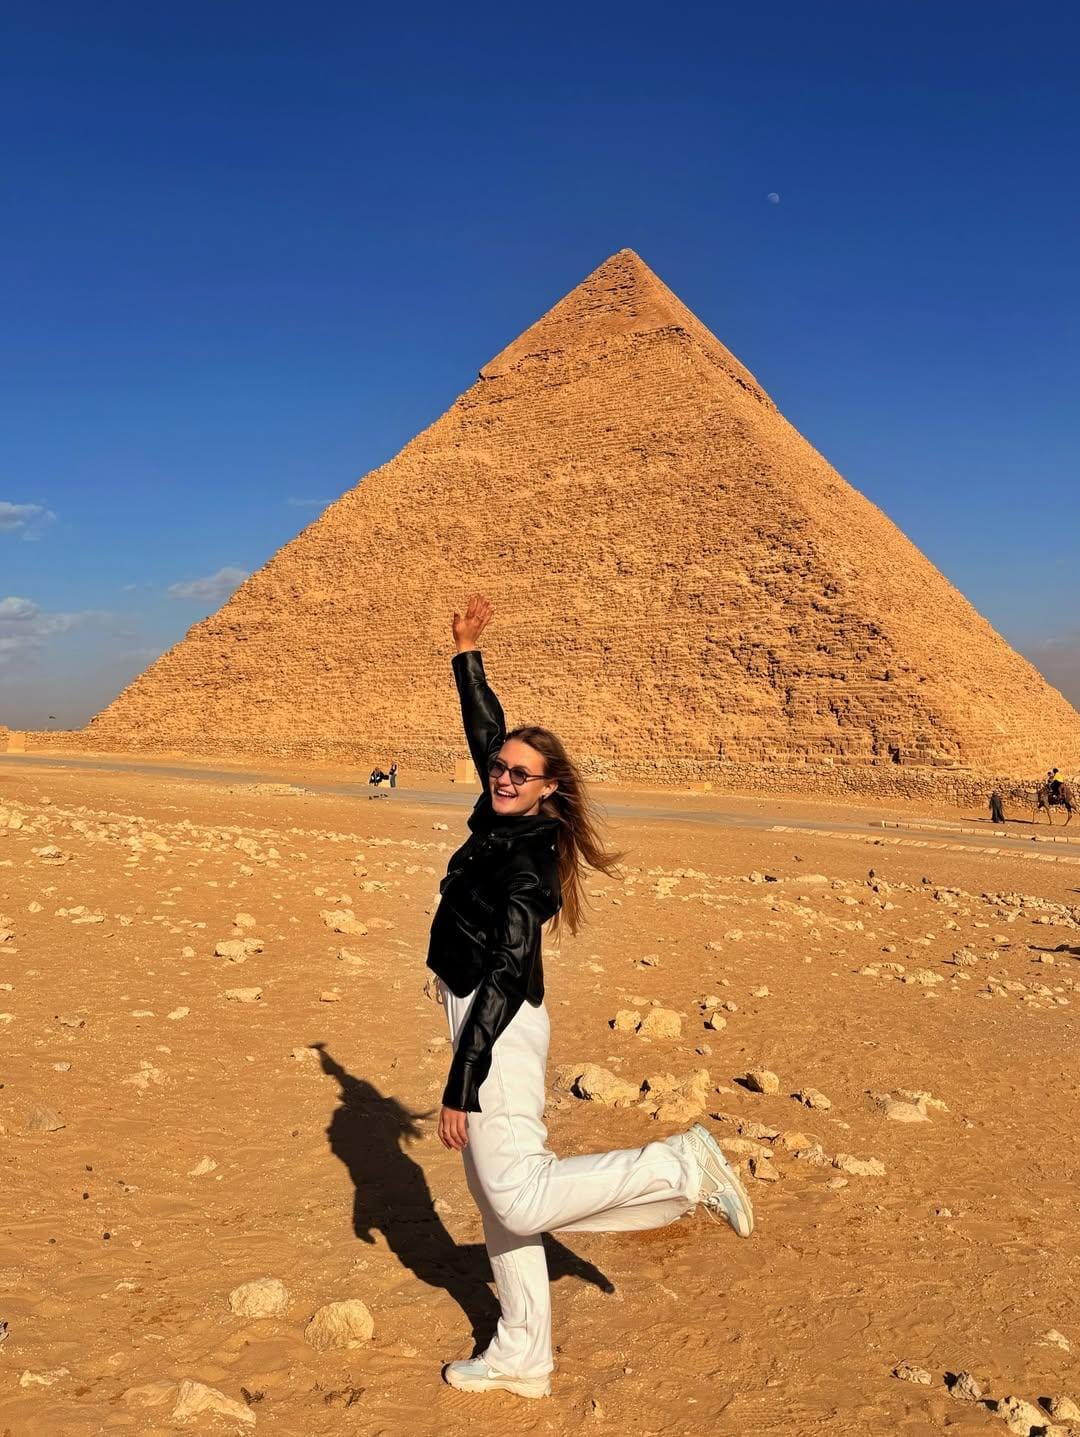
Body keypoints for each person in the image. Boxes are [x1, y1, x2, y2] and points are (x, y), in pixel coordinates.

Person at [426, 594, 754, 1401]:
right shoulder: (502, 808)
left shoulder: (530, 864)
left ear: (549, 789)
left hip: (494, 1023)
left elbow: (504, 973)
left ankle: (677, 1162)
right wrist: (467, 658)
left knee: (515, 1188)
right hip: (475, 1007)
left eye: (517, 772)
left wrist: (460, 1083)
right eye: (499, 768)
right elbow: (486, 734)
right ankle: (523, 1352)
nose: (500, 776)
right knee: (498, 1199)